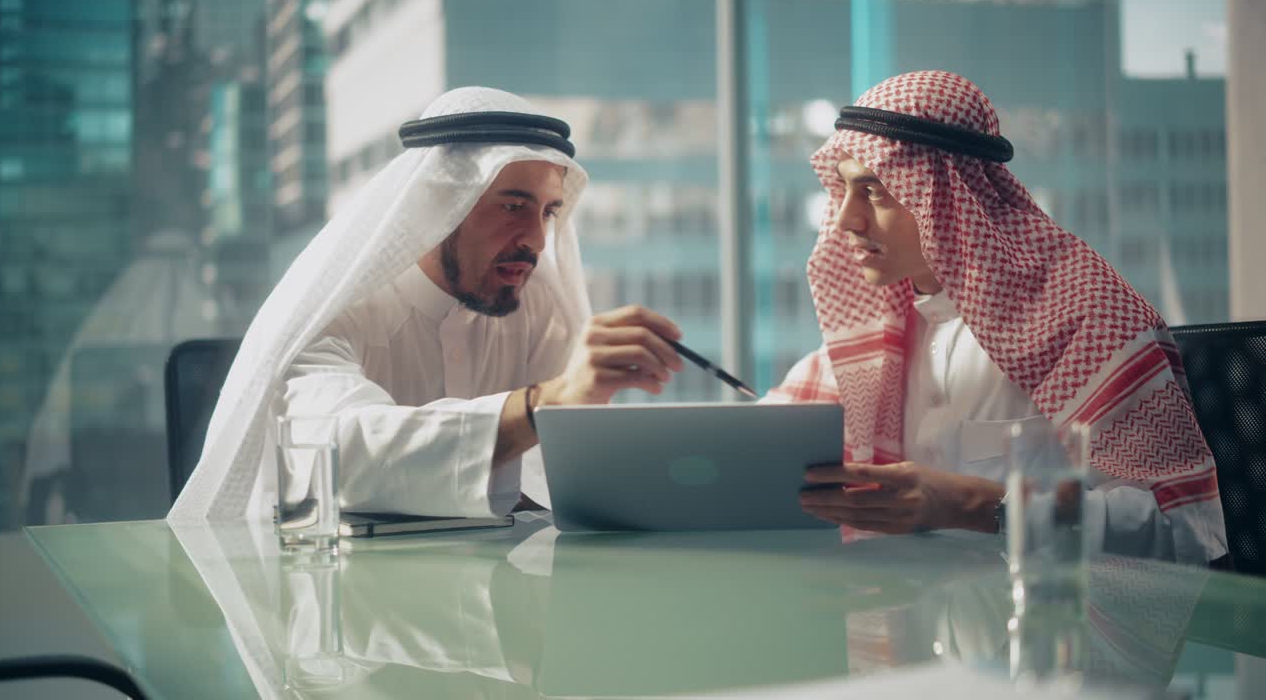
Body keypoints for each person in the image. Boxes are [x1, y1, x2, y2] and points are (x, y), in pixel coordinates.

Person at [169, 87, 683, 524]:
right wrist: (549, 400)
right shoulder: (334, 314)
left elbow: (559, 479)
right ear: (442, 204)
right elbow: (342, 456)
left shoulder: (537, 305)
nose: (536, 241)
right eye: (512, 205)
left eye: (547, 211)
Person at [774, 71, 1227, 565]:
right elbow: (747, 452)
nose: (846, 220)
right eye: (842, 189)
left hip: (1047, 632)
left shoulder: (1087, 320)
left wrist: (978, 507)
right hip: (902, 625)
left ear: (947, 196)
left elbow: (1183, 535)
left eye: (876, 191)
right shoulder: (872, 336)